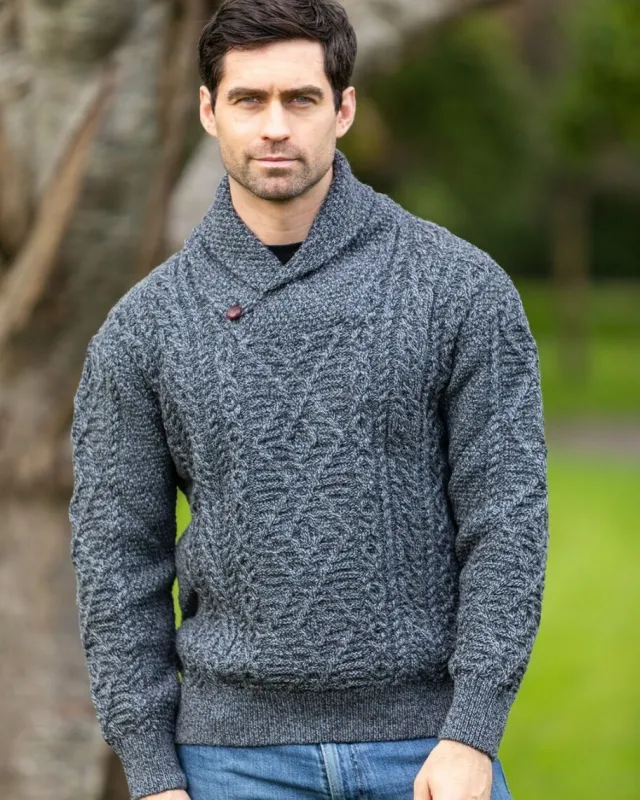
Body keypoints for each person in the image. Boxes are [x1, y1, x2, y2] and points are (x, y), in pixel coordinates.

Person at [68, 1, 549, 799]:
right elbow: (117, 562)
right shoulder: (143, 328)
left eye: (301, 99)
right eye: (249, 99)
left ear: (344, 109)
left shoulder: (460, 290)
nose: (275, 127)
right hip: (228, 764)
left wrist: (472, 729)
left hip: (428, 752)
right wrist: (151, 773)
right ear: (208, 111)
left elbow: (508, 520)